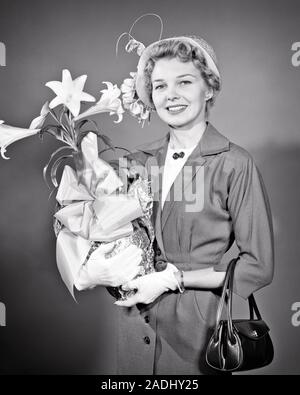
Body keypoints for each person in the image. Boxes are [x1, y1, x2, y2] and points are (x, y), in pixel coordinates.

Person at [70, 35, 274, 375]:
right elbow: (111, 236)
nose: (171, 95)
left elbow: (258, 266)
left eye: (184, 82)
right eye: (160, 85)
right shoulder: (134, 162)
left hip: (196, 336)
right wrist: (94, 268)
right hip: (135, 329)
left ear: (208, 89)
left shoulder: (234, 163)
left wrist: (172, 279)